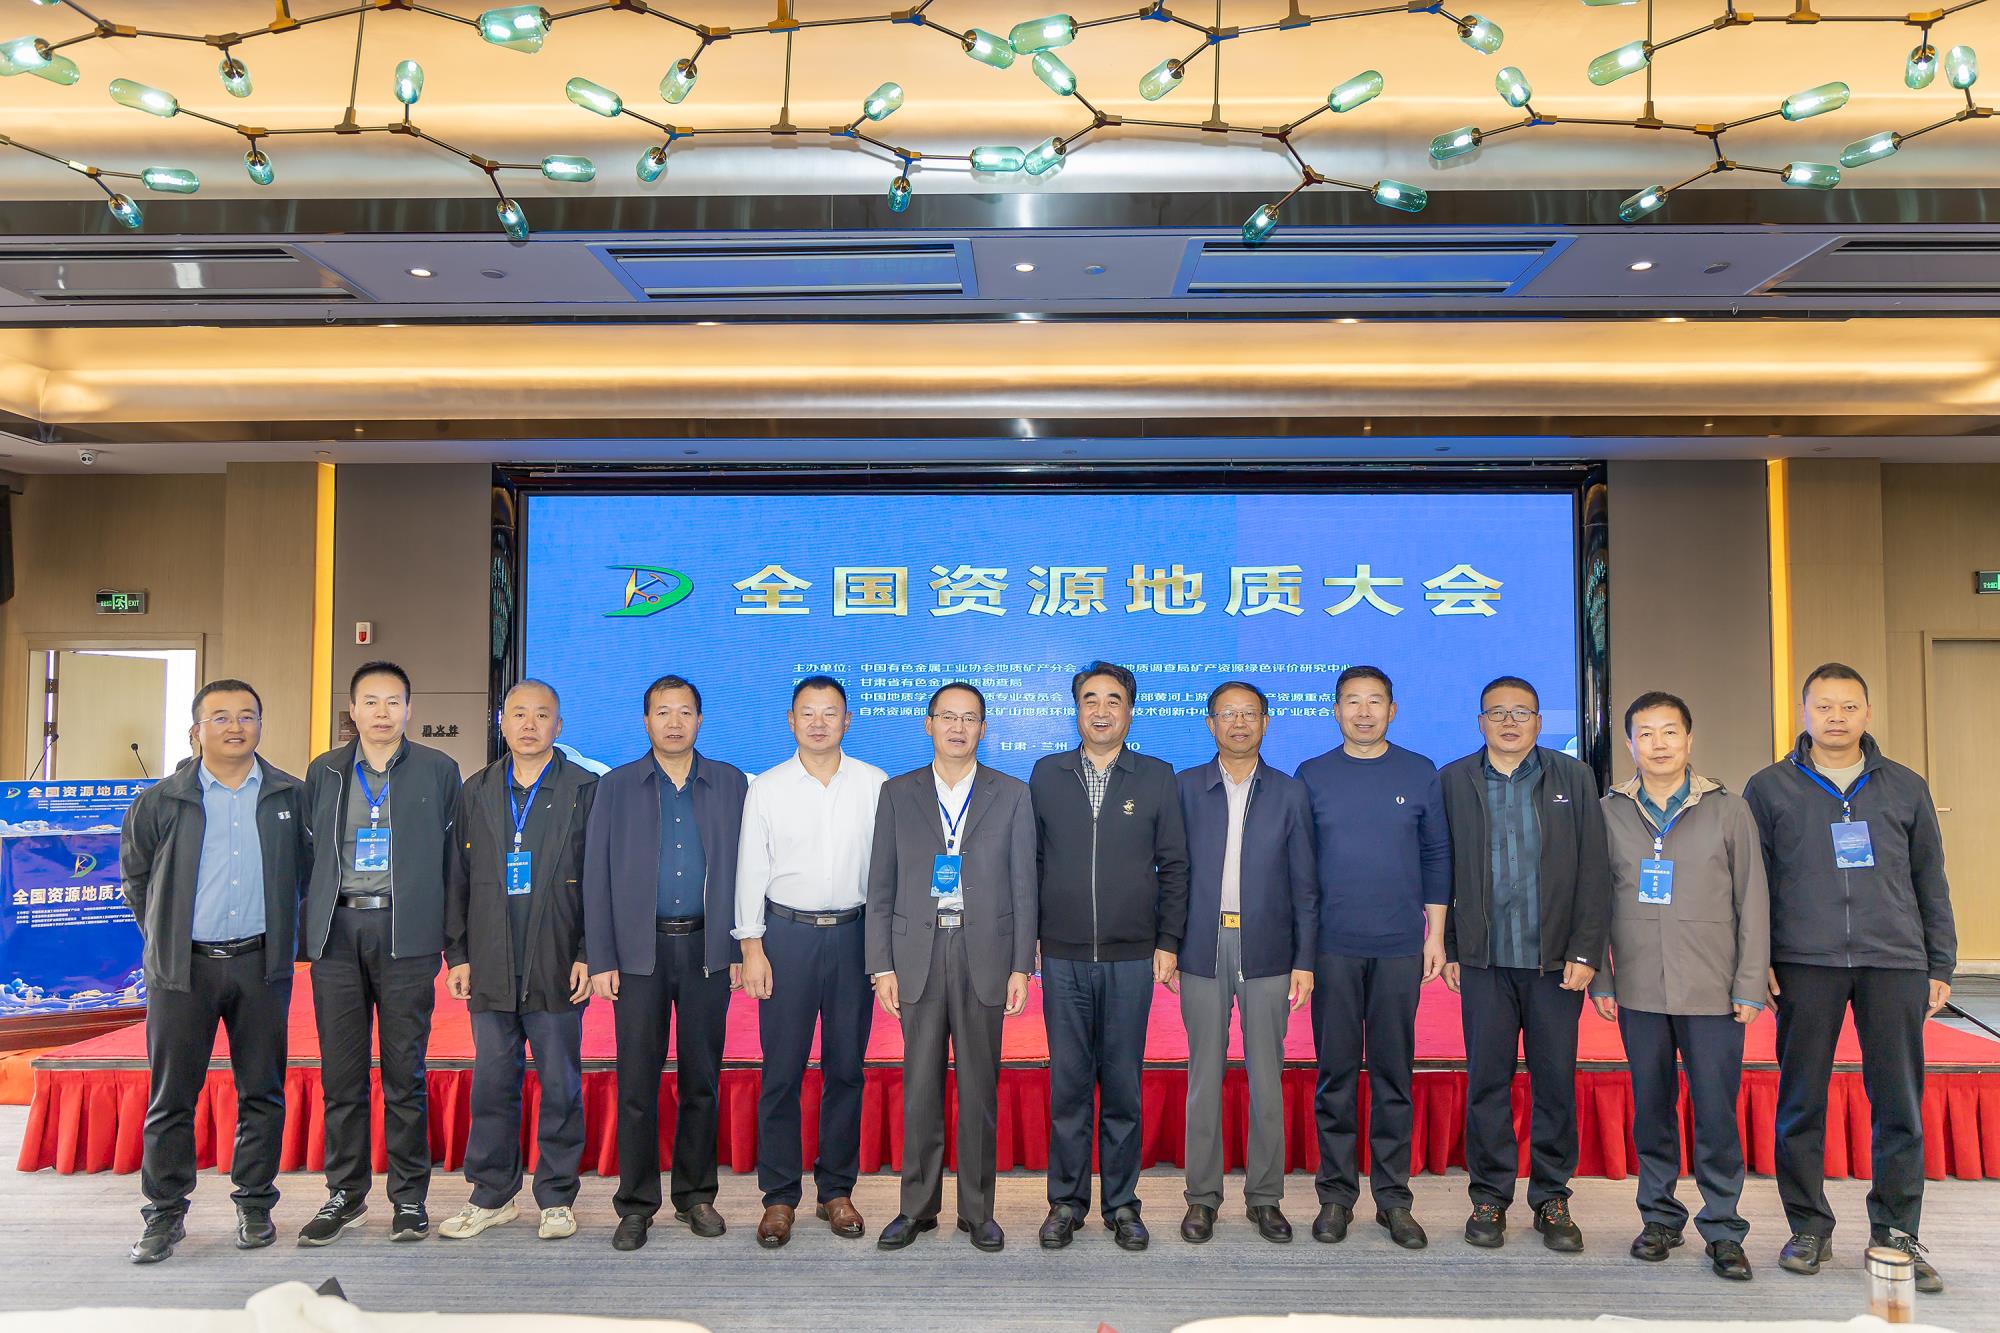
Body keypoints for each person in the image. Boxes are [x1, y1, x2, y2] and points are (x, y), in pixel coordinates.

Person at [1744, 662, 1955, 1292]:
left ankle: (1895, 1233)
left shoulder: (1905, 786)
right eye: (1824, 706)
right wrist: (1759, 960)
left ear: (1867, 712)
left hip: (1894, 960)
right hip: (1802, 962)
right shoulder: (1769, 787)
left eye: (1849, 706)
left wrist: (1940, 962)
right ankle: (1808, 1227)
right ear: (1803, 712)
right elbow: (1753, 885)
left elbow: (1930, 878)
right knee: (1800, 1101)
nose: (1836, 717)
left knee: (1898, 1104)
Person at [122, 680, 308, 1264]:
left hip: (261, 966)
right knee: (172, 1097)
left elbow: (305, 873)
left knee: (262, 1091)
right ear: (196, 730)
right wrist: (167, 939)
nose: (235, 726)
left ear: (261, 726)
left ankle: (254, 1204)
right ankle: (164, 1214)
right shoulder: (160, 801)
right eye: (220, 716)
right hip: (184, 971)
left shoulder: (289, 796)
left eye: (247, 716)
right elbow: (137, 880)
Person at [1591, 691, 1767, 1281]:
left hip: (1713, 989)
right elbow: (1595, 902)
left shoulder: (1729, 810)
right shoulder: (1609, 811)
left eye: (1670, 732)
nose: (1658, 744)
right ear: (1629, 744)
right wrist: (1603, 978)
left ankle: (1724, 1228)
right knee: (1652, 1109)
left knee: (1716, 1111)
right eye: (1645, 733)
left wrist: (1749, 984)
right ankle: (1659, 1217)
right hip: (1639, 987)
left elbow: (1754, 900)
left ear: (1690, 739)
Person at [1440, 674, 1610, 1252]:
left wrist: (1585, 950)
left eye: (1521, 712)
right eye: (1497, 712)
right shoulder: (1454, 780)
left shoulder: (1573, 777)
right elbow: (1444, 869)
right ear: (1480, 722)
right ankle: (1489, 1196)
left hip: (1554, 963)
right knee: (1487, 1082)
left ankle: (1552, 1197)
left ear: (1538, 722)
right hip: (1484, 963)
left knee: (1554, 1083)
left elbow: (1594, 867)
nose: (1509, 722)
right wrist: (1453, 947)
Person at [298, 661, 464, 1245]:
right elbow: (307, 854)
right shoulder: (324, 771)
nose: (382, 712)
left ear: (409, 709)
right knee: (341, 1075)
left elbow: (455, 863)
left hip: (406, 935)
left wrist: (454, 944)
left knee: (404, 1074)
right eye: (370, 701)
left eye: (394, 701)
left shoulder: (439, 770)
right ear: (352, 709)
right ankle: (344, 1194)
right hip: (337, 933)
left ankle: (409, 1197)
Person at [866, 683, 1036, 1253]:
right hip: (917, 951)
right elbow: (881, 884)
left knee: (980, 1088)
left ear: (983, 728)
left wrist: (1021, 965)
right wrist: (881, 965)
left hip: (984, 951)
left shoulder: (1011, 793)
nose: (958, 728)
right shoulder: (897, 793)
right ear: (928, 723)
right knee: (920, 1087)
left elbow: (1024, 886)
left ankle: (978, 1212)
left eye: (969, 719)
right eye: (947, 717)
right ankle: (916, 1209)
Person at [584, 674, 748, 1252]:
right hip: (638, 954)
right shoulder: (616, 786)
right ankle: (635, 1204)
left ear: (700, 720)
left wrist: (739, 946)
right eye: (662, 712)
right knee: (637, 1082)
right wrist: (601, 956)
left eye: (684, 712)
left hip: (707, 950)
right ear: (645, 721)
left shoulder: (730, 783)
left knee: (702, 1079)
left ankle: (696, 1195)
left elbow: (750, 868)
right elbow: (596, 876)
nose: (673, 722)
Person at [1030, 660, 1190, 1252]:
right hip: (1064, 957)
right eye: (1091, 700)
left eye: (1113, 700)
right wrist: (1030, 942)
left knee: (1122, 1087)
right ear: (1076, 709)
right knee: (1068, 1086)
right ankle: (1065, 1204)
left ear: (1130, 710)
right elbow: (1032, 863)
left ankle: (1122, 1204)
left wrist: (1168, 942)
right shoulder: (1047, 774)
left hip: (1131, 959)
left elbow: (1175, 867)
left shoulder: (1157, 776)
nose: (1101, 710)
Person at [1295, 665, 1450, 1250]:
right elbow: (1300, 870)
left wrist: (1435, 936)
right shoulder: (1312, 775)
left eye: (1375, 701)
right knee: (1334, 1075)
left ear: (1393, 709)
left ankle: (1393, 1199)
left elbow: (1436, 856)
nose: (1364, 712)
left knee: (1393, 1074)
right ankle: (1335, 1196)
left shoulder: (1419, 771)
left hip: (1398, 948)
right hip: (1333, 948)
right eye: (1352, 702)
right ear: (1335, 710)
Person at [439, 680, 597, 1243]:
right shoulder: (477, 789)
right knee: (491, 1083)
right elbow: (455, 879)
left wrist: (589, 954)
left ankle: (556, 1197)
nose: (530, 724)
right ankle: (492, 1195)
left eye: (542, 715)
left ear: (560, 725)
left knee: (560, 1085)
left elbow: (601, 881)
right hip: (489, 960)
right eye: (519, 714)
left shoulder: (585, 789)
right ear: (501, 722)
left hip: (557, 961)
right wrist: (457, 953)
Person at [734, 675, 886, 1248]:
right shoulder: (767, 788)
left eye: (830, 712)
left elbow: (886, 874)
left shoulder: (875, 784)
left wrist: (884, 954)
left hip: (854, 936)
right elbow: (750, 868)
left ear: (848, 721)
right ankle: (778, 1197)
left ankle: (836, 1191)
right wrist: (751, 946)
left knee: (846, 1069)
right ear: (791, 721)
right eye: (808, 712)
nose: (819, 722)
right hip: (786, 938)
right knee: (782, 1072)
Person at [1175, 681, 1315, 1245]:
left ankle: (1265, 1197)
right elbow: (1170, 875)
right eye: (1227, 714)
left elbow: (1305, 884)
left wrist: (1304, 958)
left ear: (1265, 722)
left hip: (1269, 948)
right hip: (1201, 946)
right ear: (1210, 723)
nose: (1239, 723)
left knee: (1266, 1078)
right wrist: (1167, 944)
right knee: (1203, 1077)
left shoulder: (1290, 792)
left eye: (1249, 714)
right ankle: (1201, 1198)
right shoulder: (1185, 787)